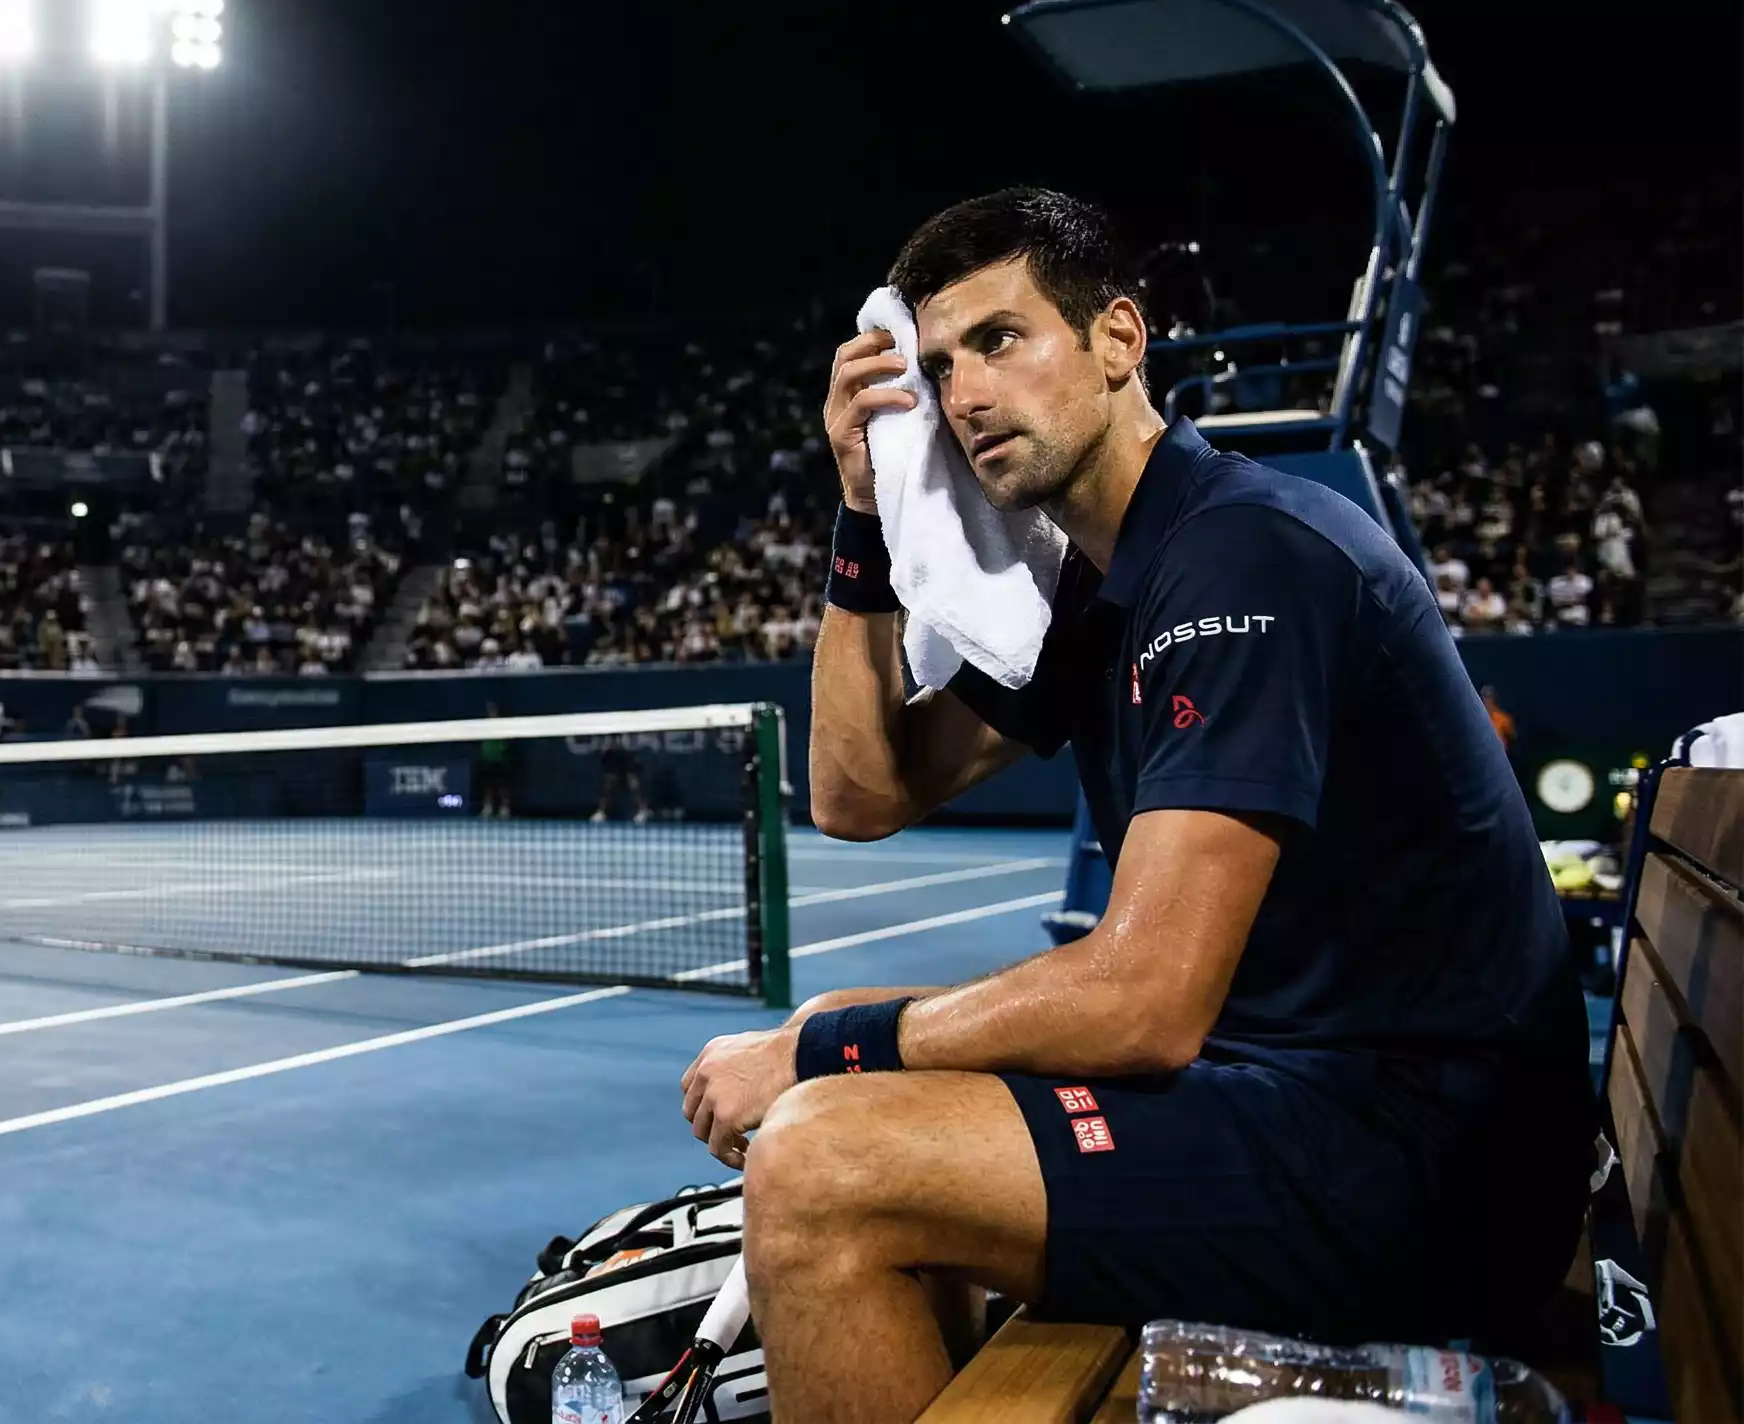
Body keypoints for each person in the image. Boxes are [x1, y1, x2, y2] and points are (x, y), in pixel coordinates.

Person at [678, 190, 1587, 1424]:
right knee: (844, 1033)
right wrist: (860, 514)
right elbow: (855, 795)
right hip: (1311, 1101)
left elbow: (1143, 1004)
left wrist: (810, 1057)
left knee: (822, 1158)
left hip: (1424, 1172)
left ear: (1117, 340)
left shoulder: (1244, 556)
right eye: (940, 367)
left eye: (1000, 340)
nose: (963, 396)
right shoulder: (1112, 592)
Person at [1482, 685, 1517, 758]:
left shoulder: (1502, 717)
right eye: (1485, 696)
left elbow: (1513, 737)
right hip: (1483, 754)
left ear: (1493, 698)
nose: (1487, 699)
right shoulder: (1477, 716)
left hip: (1500, 756)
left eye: (1489, 696)